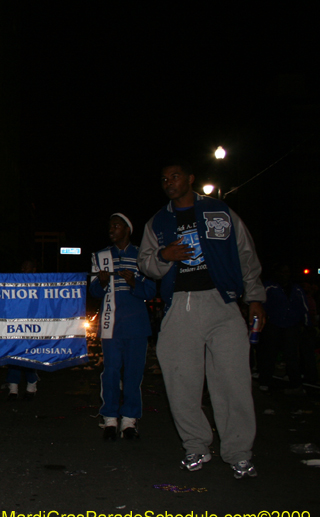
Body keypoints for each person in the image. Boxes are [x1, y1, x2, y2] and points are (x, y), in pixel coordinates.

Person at [139, 162, 266, 479]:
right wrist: (164, 257)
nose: (169, 182)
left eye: (175, 176)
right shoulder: (157, 222)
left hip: (222, 303)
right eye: (164, 178)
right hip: (181, 305)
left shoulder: (218, 211)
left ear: (190, 179)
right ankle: (195, 446)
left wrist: (255, 299)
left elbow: (245, 254)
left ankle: (239, 453)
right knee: (181, 382)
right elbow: (146, 264)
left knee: (233, 382)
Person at [90, 213, 156, 440]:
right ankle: (109, 419)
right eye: (110, 226)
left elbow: (151, 291)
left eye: (116, 226)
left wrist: (133, 283)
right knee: (110, 372)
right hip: (110, 324)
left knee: (134, 374)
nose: (111, 229)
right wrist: (101, 282)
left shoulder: (142, 255)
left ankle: (129, 421)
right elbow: (94, 292)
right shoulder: (100, 256)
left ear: (127, 229)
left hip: (137, 325)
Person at [258, 264, 309, 395]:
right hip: (273, 324)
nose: (284, 275)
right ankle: (265, 382)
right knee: (270, 353)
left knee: (291, 355)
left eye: (287, 272)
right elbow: (260, 303)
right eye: (282, 272)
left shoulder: (296, 288)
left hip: (291, 325)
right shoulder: (269, 286)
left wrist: (306, 324)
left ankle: (295, 383)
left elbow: (304, 307)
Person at [5, 260, 40, 400]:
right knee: (13, 357)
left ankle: (31, 386)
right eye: (23, 267)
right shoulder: (15, 283)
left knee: (29, 357)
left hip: (32, 327)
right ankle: (13, 389)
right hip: (15, 326)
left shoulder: (40, 284)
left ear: (34, 270)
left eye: (27, 267)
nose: (24, 269)